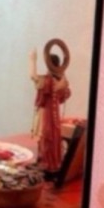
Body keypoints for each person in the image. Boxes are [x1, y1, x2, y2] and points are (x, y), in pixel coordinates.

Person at [29, 42, 71, 172]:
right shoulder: (62, 81)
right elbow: (65, 94)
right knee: (53, 135)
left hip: (46, 113)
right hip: (55, 113)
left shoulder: (47, 81)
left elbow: (33, 76)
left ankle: (46, 162)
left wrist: (32, 60)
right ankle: (53, 162)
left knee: (46, 136)